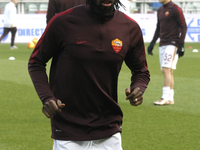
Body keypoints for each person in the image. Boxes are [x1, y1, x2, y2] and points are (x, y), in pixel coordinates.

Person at [28, 0, 150, 149]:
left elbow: (141, 71)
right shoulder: (63, 21)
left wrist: (138, 87)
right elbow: (36, 62)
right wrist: (47, 98)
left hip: (109, 129)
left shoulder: (129, 27)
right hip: (67, 130)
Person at [147, 0, 187, 105]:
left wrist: (181, 44)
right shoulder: (160, 10)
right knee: (168, 71)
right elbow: (158, 28)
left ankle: (164, 97)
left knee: (166, 69)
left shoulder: (175, 8)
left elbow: (183, 26)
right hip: (162, 44)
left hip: (172, 43)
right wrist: (152, 43)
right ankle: (170, 98)